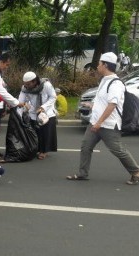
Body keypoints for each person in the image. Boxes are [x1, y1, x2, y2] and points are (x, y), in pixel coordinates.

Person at [67, 52, 139, 184]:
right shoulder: (104, 81)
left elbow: (112, 104)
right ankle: (83, 173)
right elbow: (104, 102)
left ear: (105, 65)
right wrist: (91, 105)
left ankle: (136, 172)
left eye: (99, 64)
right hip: (95, 123)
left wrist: (99, 122)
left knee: (118, 150)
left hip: (108, 124)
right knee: (86, 147)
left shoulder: (115, 84)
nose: (97, 66)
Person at [18, 71, 57, 160]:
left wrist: (43, 107)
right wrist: (23, 106)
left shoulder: (46, 85)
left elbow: (53, 97)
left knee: (45, 133)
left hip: (46, 113)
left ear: (34, 81)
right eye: (25, 84)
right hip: (33, 113)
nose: (26, 86)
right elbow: (21, 101)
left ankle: (43, 151)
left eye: (28, 84)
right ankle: (36, 149)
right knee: (34, 133)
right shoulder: (24, 88)